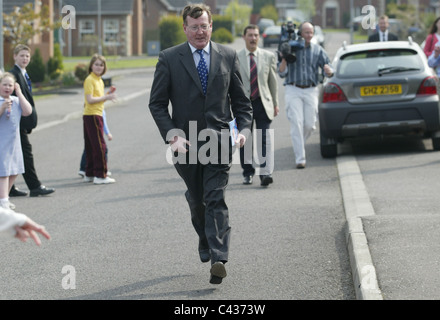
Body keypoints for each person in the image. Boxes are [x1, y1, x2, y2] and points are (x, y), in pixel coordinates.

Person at [149, 3, 252, 284]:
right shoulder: (169, 58)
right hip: (186, 143)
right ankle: (205, 239)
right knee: (197, 200)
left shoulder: (228, 56)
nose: (199, 31)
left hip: (219, 140)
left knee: (215, 198)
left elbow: (243, 102)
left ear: (211, 26)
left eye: (204, 26)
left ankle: (219, 258)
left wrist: (242, 129)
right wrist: (172, 135)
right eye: (193, 27)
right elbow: (157, 104)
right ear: (185, 28)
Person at [278, 22, 334, 169]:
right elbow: (281, 72)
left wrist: (329, 70)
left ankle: (298, 143)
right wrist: (284, 58)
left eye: (311, 32)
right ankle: (300, 158)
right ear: (300, 33)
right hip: (293, 89)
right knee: (296, 122)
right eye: (306, 32)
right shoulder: (291, 47)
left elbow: (328, 67)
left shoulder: (317, 50)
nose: (309, 35)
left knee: (310, 125)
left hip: (311, 90)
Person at [9, 44, 55, 197]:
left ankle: (11, 188)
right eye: (21, 55)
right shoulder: (13, 75)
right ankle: (35, 187)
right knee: (25, 154)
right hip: (16, 124)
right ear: (15, 56)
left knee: (13, 155)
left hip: (21, 123)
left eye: (27, 56)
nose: (25, 58)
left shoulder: (23, 74)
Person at [237, 24, 279, 186]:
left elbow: (273, 83)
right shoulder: (235, 57)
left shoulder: (268, 57)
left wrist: (275, 103)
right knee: (245, 140)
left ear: (259, 37)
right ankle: (248, 172)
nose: (253, 38)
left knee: (264, 139)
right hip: (243, 105)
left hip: (263, 103)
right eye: (250, 35)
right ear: (244, 37)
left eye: (256, 35)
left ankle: (265, 173)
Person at [0, 73, 33, 210]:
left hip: (14, 142)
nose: (7, 87)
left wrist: (19, 92)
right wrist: (3, 107)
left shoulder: (16, 100)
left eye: (10, 85)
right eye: (4, 84)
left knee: (14, 170)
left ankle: (3, 198)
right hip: (2, 142)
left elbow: (28, 111)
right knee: (4, 172)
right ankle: (3, 201)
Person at [82, 54, 116, 185]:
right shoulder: (90, 79)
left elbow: (98, 98)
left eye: (101, 65)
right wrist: (106, 98)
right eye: (96, 64)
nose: (98, 67)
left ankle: (89, 173)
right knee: (100, 146)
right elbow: (90, 100)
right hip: (93, 115)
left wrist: (107, 95)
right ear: (91, 66)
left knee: (91, 146)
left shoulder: (99, 80)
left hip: (95, 114)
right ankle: (100, 175)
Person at [78, 109, 112, 177]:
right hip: (96, 128)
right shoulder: (99, 109)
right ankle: (102, 170)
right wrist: (108, 133)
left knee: (88, 149)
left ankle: (84, 169)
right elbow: (103, 122)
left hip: (90, 122)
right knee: (102, 149)